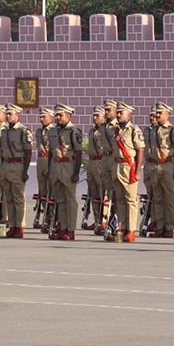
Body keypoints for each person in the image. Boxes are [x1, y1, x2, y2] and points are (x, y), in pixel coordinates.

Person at [145, 102, 174, 238]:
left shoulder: (172, 130)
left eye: (160, 113)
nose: (157, 115)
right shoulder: (153, 129)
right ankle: (159, 226)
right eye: (156, 113)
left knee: (168, 199)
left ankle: (169, 227)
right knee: (157, 198)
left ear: (167, 114)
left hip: (167, 165)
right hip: (155, 166)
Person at [108, 102, 145, 242]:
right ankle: (121, 228)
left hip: (129, 167)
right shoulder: (114, 130)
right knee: (120, 200)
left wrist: (137, 170)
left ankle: (131, 230)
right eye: (117, 112)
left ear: (129, 115)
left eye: (121, 113)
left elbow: (140, 150)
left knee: (131, 199)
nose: (118, 115)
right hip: (116, 166)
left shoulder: (135, 130)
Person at [47, 104, 83, 240]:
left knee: (70, 200)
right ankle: (63, 228)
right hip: (56, 166)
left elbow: (79, 153)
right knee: (60, 200)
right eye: (56, 115)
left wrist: (76, 173)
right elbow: (51, 151)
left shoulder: (74, 131)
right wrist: (50, 170)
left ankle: (71, 229)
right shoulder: (52, 131)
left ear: (68, 116)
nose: (57, 117)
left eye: (60, 115)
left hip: (68, 166)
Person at [0, 103, 32, 238]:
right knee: (9, 198)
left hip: (18, 166)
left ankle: (20, 226)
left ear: (17, 115)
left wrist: (25, 171)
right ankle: (12, 225)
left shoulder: (24, 131)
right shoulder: (4, 131)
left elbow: (28, 152)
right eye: (6, 114)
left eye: (10, 114)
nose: (7, 116)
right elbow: (2, 151)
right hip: (6, 166)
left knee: (18, 198)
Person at [86, 105, 111, 233]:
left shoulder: (105, 130)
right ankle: (97, 220)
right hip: (92, 162)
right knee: (94, 192)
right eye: (94, 115)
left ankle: (104, 220)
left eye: (97, 115)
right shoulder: (92, 131)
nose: (94, 118)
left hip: (101, 162)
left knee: (103, 192)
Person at [35, 107, 56, 226]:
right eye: (41, 117)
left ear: (51, 117)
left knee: (51, 189)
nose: (42, 119)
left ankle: (53, 216)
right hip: (40, 159)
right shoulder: (39, 131)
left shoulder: (53, 130)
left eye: (44, 117)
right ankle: (46, 215)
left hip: (50, 159)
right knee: (42, 189)